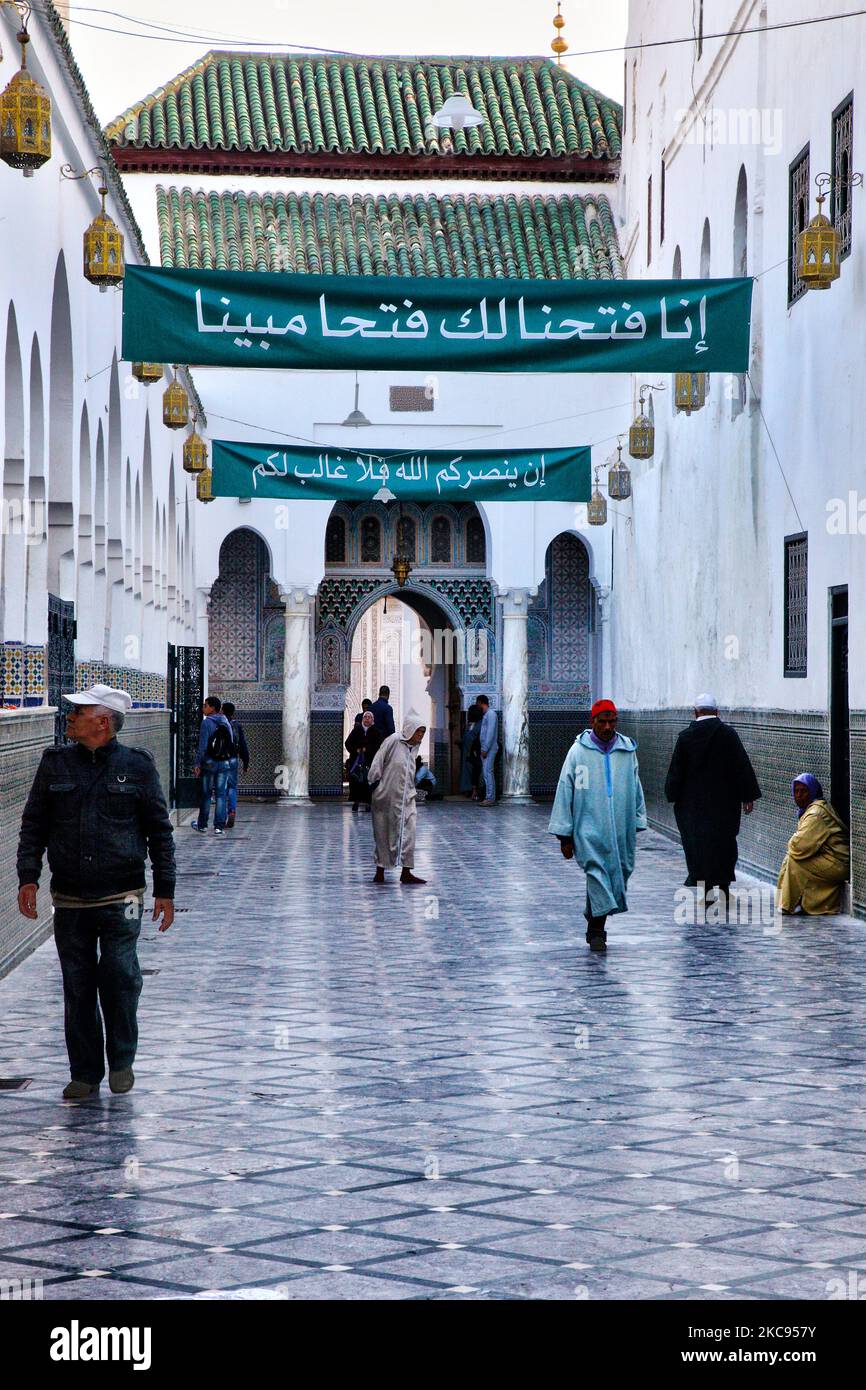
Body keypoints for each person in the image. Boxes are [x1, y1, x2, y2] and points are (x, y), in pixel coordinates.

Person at [16, 684, 175, 1099]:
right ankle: (85, 1073)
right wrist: (28, 877)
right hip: (69, 898)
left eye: (78, 712)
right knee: (78, 984)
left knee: (121, 976)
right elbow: (34, 825)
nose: (69, 718)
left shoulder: (136, 766)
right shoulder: (55, 765)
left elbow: (160, 831)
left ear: (103, 722)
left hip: (122, 896)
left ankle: (121, 1059)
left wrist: (166, 889)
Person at [548, 699, 647, 952]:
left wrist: (637, 818)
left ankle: (593, 915)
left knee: (618, 872)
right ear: (592, 722)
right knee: (596, 873)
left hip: (620, 829)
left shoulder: (627, 751)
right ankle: (596, 932)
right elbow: (565, 790)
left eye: (611, 721)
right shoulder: (578, 752)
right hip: (588, 827)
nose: (607, 726)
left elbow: (635, 787)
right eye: (601, 721)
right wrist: (565, 835)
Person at [664, 693, 761, 908]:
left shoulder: (685, 737)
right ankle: (725, 891)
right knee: (724, 844)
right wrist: (748, 795)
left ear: (695, 711)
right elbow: (741, 766)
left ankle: (706, 892)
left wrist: (672, 794)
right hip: (724, 804)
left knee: (698, 846)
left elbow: (676, 772)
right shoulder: (728, 735)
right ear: (717, 712)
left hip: (693, 806)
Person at [777, 774, 850, 915]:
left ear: (812, 792)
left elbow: (798, 847)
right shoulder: (811, 809)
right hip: (831, 860)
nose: (799, 795)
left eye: (804, 791)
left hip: (839, 864)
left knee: (794, 860)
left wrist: (793, 841)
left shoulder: (816, 813)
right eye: (796, 791)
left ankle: (787, 905)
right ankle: (793, 902)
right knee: (791, 857)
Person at [368, 714, 427, 885]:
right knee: (383, 832)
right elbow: (378, 760)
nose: (420, 736)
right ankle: (380, 870)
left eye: (423, 732)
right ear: (410, 729)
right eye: (418, 732)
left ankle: (406, 871)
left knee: (409, 833)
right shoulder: (394, 740)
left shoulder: (414, 747)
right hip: (386, 797)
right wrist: (375, 785)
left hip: (407, 797)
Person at [193, 695, 234, 835]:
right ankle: (219, 827)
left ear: (212, 707)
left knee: (206, 794)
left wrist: (197, 764)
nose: (203, 708)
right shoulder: (225, 721)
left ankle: (202, 825)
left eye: (205, 705)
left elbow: (203, 746)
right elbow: (231, 742)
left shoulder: (206, 723)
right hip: (224, 762)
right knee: (221, 795)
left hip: (209, 763)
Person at [220, 701, 249, 830]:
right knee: (232, 787)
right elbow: (243, 745)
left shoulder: (219, 724)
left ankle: (221, 818)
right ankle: (231, 811)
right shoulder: (237, 725)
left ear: (222, 711)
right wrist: (245, 762)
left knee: (221, 790)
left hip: (220, 760)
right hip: (233, 759)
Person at [346, 711, 382, 812]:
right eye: (365, 717)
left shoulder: (376, 732)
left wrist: (368, 749)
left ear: (372, 720)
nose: (367, 719)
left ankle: (368, 803)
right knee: (356, 782)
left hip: (370, 762)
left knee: (368, 782)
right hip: (357, 762)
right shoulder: (357, 730)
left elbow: (380, 745)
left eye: (369, 717)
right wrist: (356, 750)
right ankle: (356, 802)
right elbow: (348, 743)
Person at [477, 695, 498, 806]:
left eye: (478, 704)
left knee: (488, 773)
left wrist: (485, 748)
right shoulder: (487, 715)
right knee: (486, 773)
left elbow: (490, 733)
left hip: (489, 749)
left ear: (481, 703)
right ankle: (489, 797)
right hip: (486, 749)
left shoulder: (491, 714)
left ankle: (490, 798)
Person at [460, 702, 483, 799]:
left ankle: (475, 791)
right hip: (467, 752)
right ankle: (467, 789)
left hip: (475, 752)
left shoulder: (481, 724)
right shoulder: (470, 725)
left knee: (475, 771)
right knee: (467, 770)